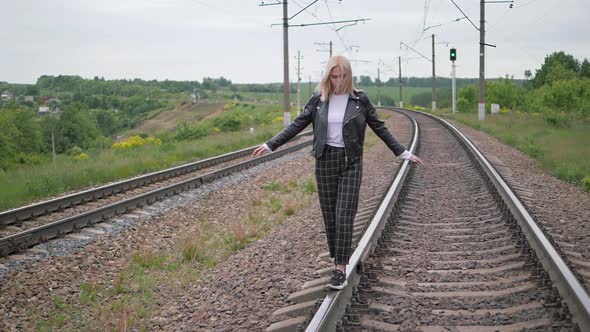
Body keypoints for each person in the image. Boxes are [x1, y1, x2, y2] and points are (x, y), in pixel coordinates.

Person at [252, 55, 423, 290]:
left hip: (351, 161)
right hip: (325, 161)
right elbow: (297, 125)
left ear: (349, 75)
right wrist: (271, 144)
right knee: (330, 217)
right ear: (328, 76)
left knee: (344, 215)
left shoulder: (360, 100)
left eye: (343, 76)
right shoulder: (319, 100)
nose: (339, 80)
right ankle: (338, 257)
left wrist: (402, 152)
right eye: (334, 76)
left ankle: (340, 269)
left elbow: (380, 127)